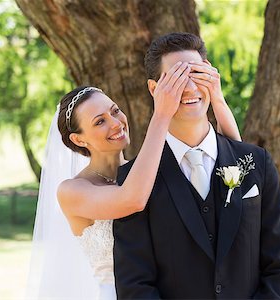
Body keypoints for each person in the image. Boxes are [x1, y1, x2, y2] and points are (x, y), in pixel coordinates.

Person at [26, 60, 241, 298]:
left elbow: (230, 156)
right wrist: (162, 113)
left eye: (115, 111)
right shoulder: (72, 191)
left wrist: (217, 98)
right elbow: (132, 200)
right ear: (79, 140)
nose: (116, 123)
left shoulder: (141, 173)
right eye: (100, 121)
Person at [113, 32, 280, 299]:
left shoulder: (258, 162)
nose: (190, 88)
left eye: (197, 74)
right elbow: (134, 285)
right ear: (154, 90)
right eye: (176, 78)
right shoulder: (132, 182)